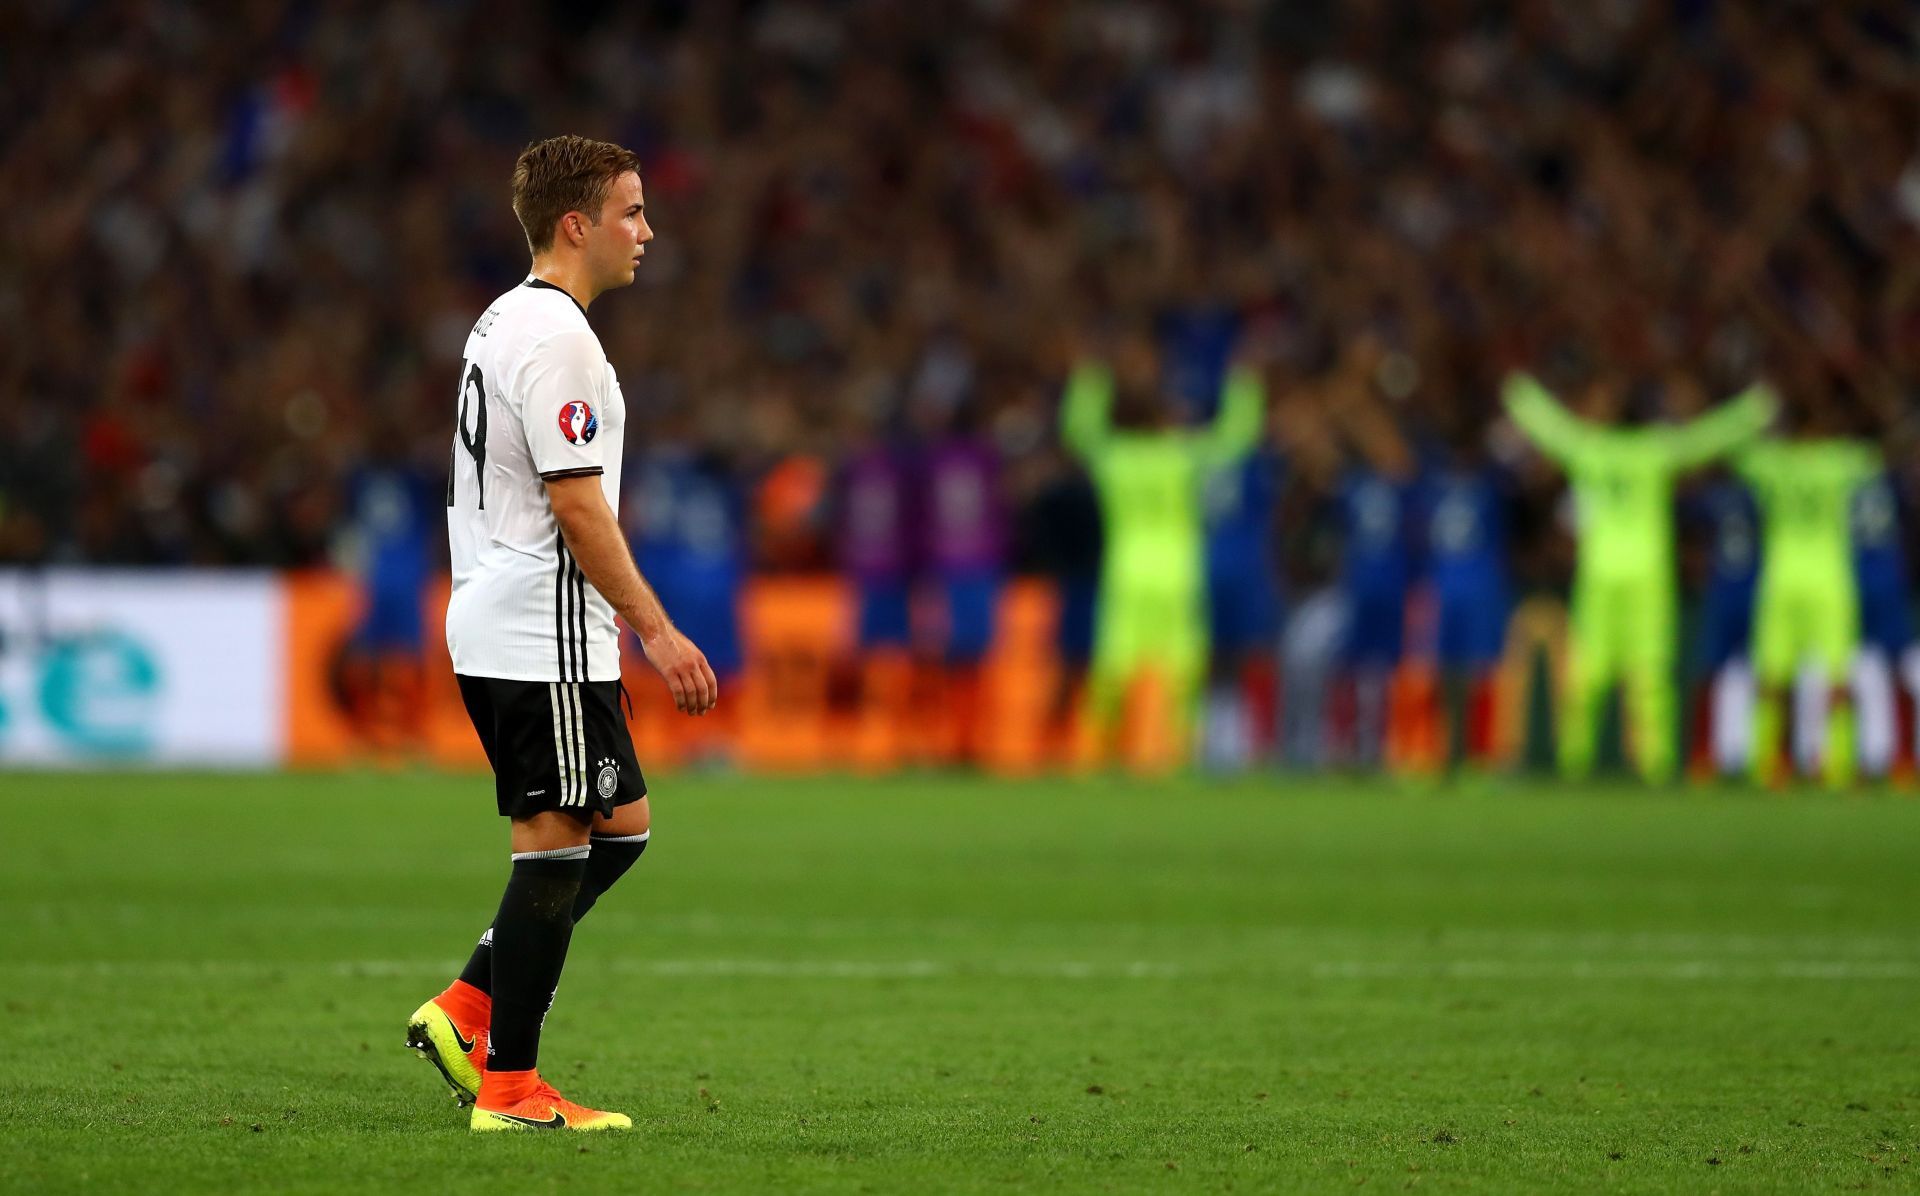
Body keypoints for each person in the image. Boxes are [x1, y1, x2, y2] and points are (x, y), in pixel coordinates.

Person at [409, 135, 717, 1134]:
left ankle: (465, 1005)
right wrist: (659, 631)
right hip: (540, 626)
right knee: (552, 851)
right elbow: (577, 505)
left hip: (506, 615)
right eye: (632, 211)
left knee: (621, 825)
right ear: (576, 224)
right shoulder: (558, 338)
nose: (647, 231)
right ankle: (509, 1085)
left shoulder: (503, 320)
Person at [1502, 372, 1774, 783]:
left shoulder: (1590, 449)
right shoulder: (1655, 451)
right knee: (1650, 676)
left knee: (1586, 675)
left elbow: (1551, 429)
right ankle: (1656, 766)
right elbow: (1705, 439)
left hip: (1600, 577)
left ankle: (1575, 763)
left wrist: (1519, 394)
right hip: (1648, 578)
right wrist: (1754, 410)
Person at [1060, 332, 1264, 765]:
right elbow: (1235, 438)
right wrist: (1244, 384)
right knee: (1185, 670)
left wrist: (1090, 377)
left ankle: (1094, 756)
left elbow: (1079, 431)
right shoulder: (1182, 456)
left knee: (1112, 667)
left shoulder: (1116, 458)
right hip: (1177, 571)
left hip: (1128, 572)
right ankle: (1184, 753)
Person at [1737, 418, 1880, 787]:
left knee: (1772, 676)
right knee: (1838, 676)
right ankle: (1840, 764)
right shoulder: (1839, 460)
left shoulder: (1773, 462)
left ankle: (1765, 762)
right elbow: (1880, 454)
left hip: (1781, 578)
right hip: (1830, 580)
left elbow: (1737, 454)